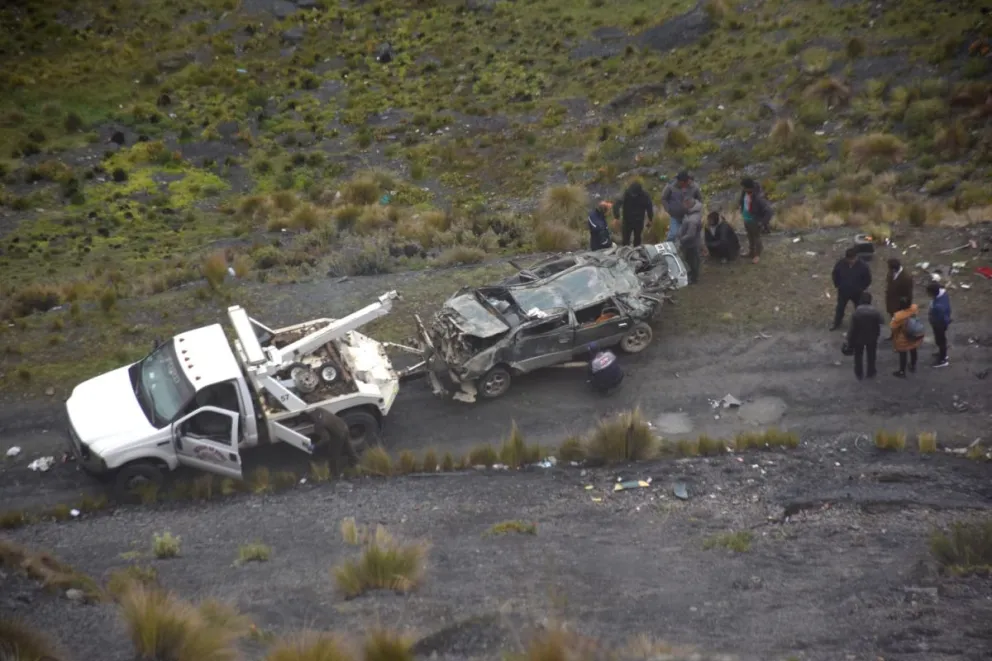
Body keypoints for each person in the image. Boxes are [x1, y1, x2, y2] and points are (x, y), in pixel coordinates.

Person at [830, 247, 872, 331]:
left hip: (857, 293)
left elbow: (868, 279)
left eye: (853, 259)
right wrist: (838, 285)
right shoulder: (840, 264)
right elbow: (835, 274)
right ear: (846, 258)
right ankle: (837, 323)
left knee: (859, 309)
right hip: (843, 292)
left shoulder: (863, 266)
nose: (851, 261)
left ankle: (860, 324)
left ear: (856, 257)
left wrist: (861, 288)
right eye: (849, 259)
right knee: (840, 308)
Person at [846, 291, 883, 380]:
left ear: (861, 301)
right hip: (872, 337)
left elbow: (852, 328)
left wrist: (849, 339)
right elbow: (882, 321)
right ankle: (871, 372)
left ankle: (859, 373)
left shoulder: (856, 313)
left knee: (858, 356)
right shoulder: (875, 312)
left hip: (858, 338)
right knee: (871, 355)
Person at [661, 170, 703, 242]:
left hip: (689, 216)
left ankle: (682, 248)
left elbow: (700, 199)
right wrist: (668, 209)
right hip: (675, 215)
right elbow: (664, 198)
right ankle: (667, 247)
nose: (682, 184)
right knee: (673, 235)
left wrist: (697, 211)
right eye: (680, 182)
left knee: (688, 236)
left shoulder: (694, 187)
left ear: (686, 181)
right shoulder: (670, 186)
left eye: (684, 182)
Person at [739, 178, 773, 263]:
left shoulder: (758, 197)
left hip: (755, 220)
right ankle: (751, 252)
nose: (743, 189)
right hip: (746, 218)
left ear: (749, 187)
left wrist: (762, 222)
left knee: (757, 237)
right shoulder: (744, 193)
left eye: (744, 187)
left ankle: (757, 255)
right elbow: (743, 202)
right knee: (750, 236)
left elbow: (768, 211)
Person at [613, 180, 654, 247]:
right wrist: (616, 217)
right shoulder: (626, 193)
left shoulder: (645, 196)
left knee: (637, 238)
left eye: (635, 194)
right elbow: (617, 204)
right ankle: (625, 249)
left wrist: (650, 219)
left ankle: (636, 250)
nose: (633, 195)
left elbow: (649, 207)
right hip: (627, 221)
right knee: (625, 239)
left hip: (639, 221)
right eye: (632, 194)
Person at [890, 296, 923, 377]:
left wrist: (894, 336)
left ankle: (902, 371)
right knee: (913, 349)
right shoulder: (914, 308)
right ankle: (913, 365)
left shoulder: (898, 316)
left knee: (903, 353)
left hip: (903, 337)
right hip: (914, 334)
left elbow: (893, 327)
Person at [884, 258, 913, 340]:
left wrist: (905, 306)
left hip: (900, 304)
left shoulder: (906, 277)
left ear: (894, 269)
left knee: (901, 322)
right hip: (891, 302)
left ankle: (902, 338)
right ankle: (894, 335)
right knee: (894, 321)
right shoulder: (891, 273)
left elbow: (908, 294)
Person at [676, 199, 704, 284]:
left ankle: (693, 278)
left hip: (691, 244)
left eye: (684, 205)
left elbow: (691, 234)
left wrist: (681, 239)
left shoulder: (693, 219)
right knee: (691, 260)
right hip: (690, 243)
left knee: (692, 261)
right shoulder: (690, 214)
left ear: (689, 205)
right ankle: (691, 276)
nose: (682, 206)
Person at [926, 281, 952, 367]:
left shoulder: (938, 306)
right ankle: (942, 353)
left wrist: (932, 320)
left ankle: (942, 359)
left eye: (929, 293)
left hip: (939, 324)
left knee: (940, 340)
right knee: (941, 340)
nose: (928, 295)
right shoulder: (943, 295)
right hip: (942, 322)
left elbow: (937, 318)